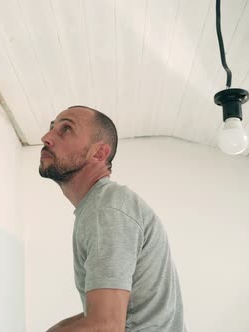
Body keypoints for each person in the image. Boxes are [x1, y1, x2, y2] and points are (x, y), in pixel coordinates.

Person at [39, 106, 186, 332]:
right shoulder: (103, 206)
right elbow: (111, 314)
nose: (46, 138)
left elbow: (106, 326)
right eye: (52, 128)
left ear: (98, 154)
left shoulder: (106, 210)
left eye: (65, 129)